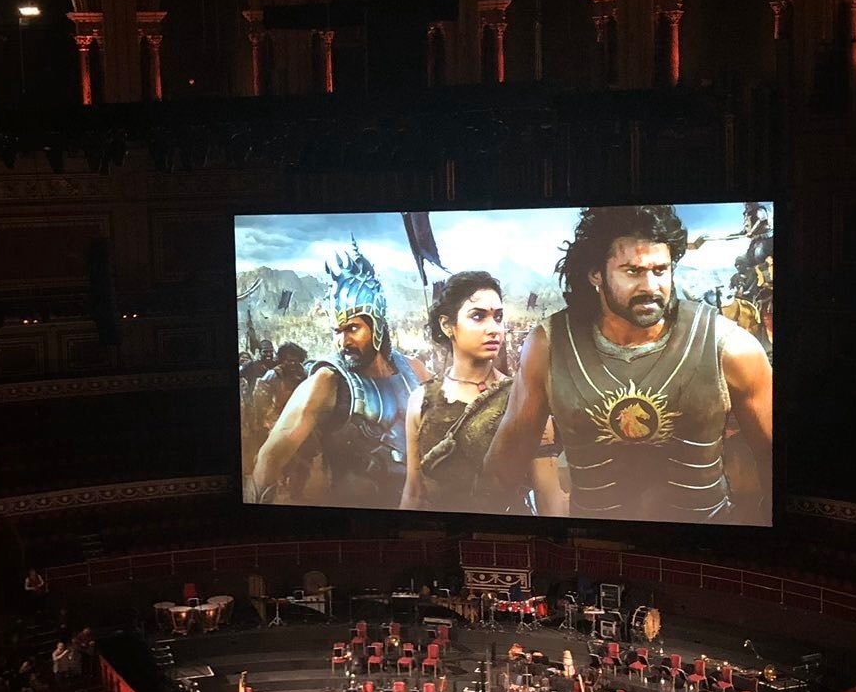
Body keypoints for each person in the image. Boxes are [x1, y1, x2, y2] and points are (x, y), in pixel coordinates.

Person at [485, 205, 774, 524]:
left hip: (704, 545)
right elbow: (502, 470)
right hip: (593, 547)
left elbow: (774, 462)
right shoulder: (548, 346)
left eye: (660, 270)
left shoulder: (731, 348)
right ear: (597, 273)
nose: (650, 286)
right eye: (633, 271)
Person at [247, 243, 428, 508]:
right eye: (337, 331)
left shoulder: (415, 370)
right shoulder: (328, 382)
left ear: (377, 325)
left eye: (353, 328)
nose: (343, 341)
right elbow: (270, 458)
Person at [403, 270, 564, 515]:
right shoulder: (421, 401)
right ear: (447, 325)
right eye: (478, 316)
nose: (494, 329)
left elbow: (549, 497)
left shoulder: (524, 399)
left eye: (498, 317)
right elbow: (414, 492)